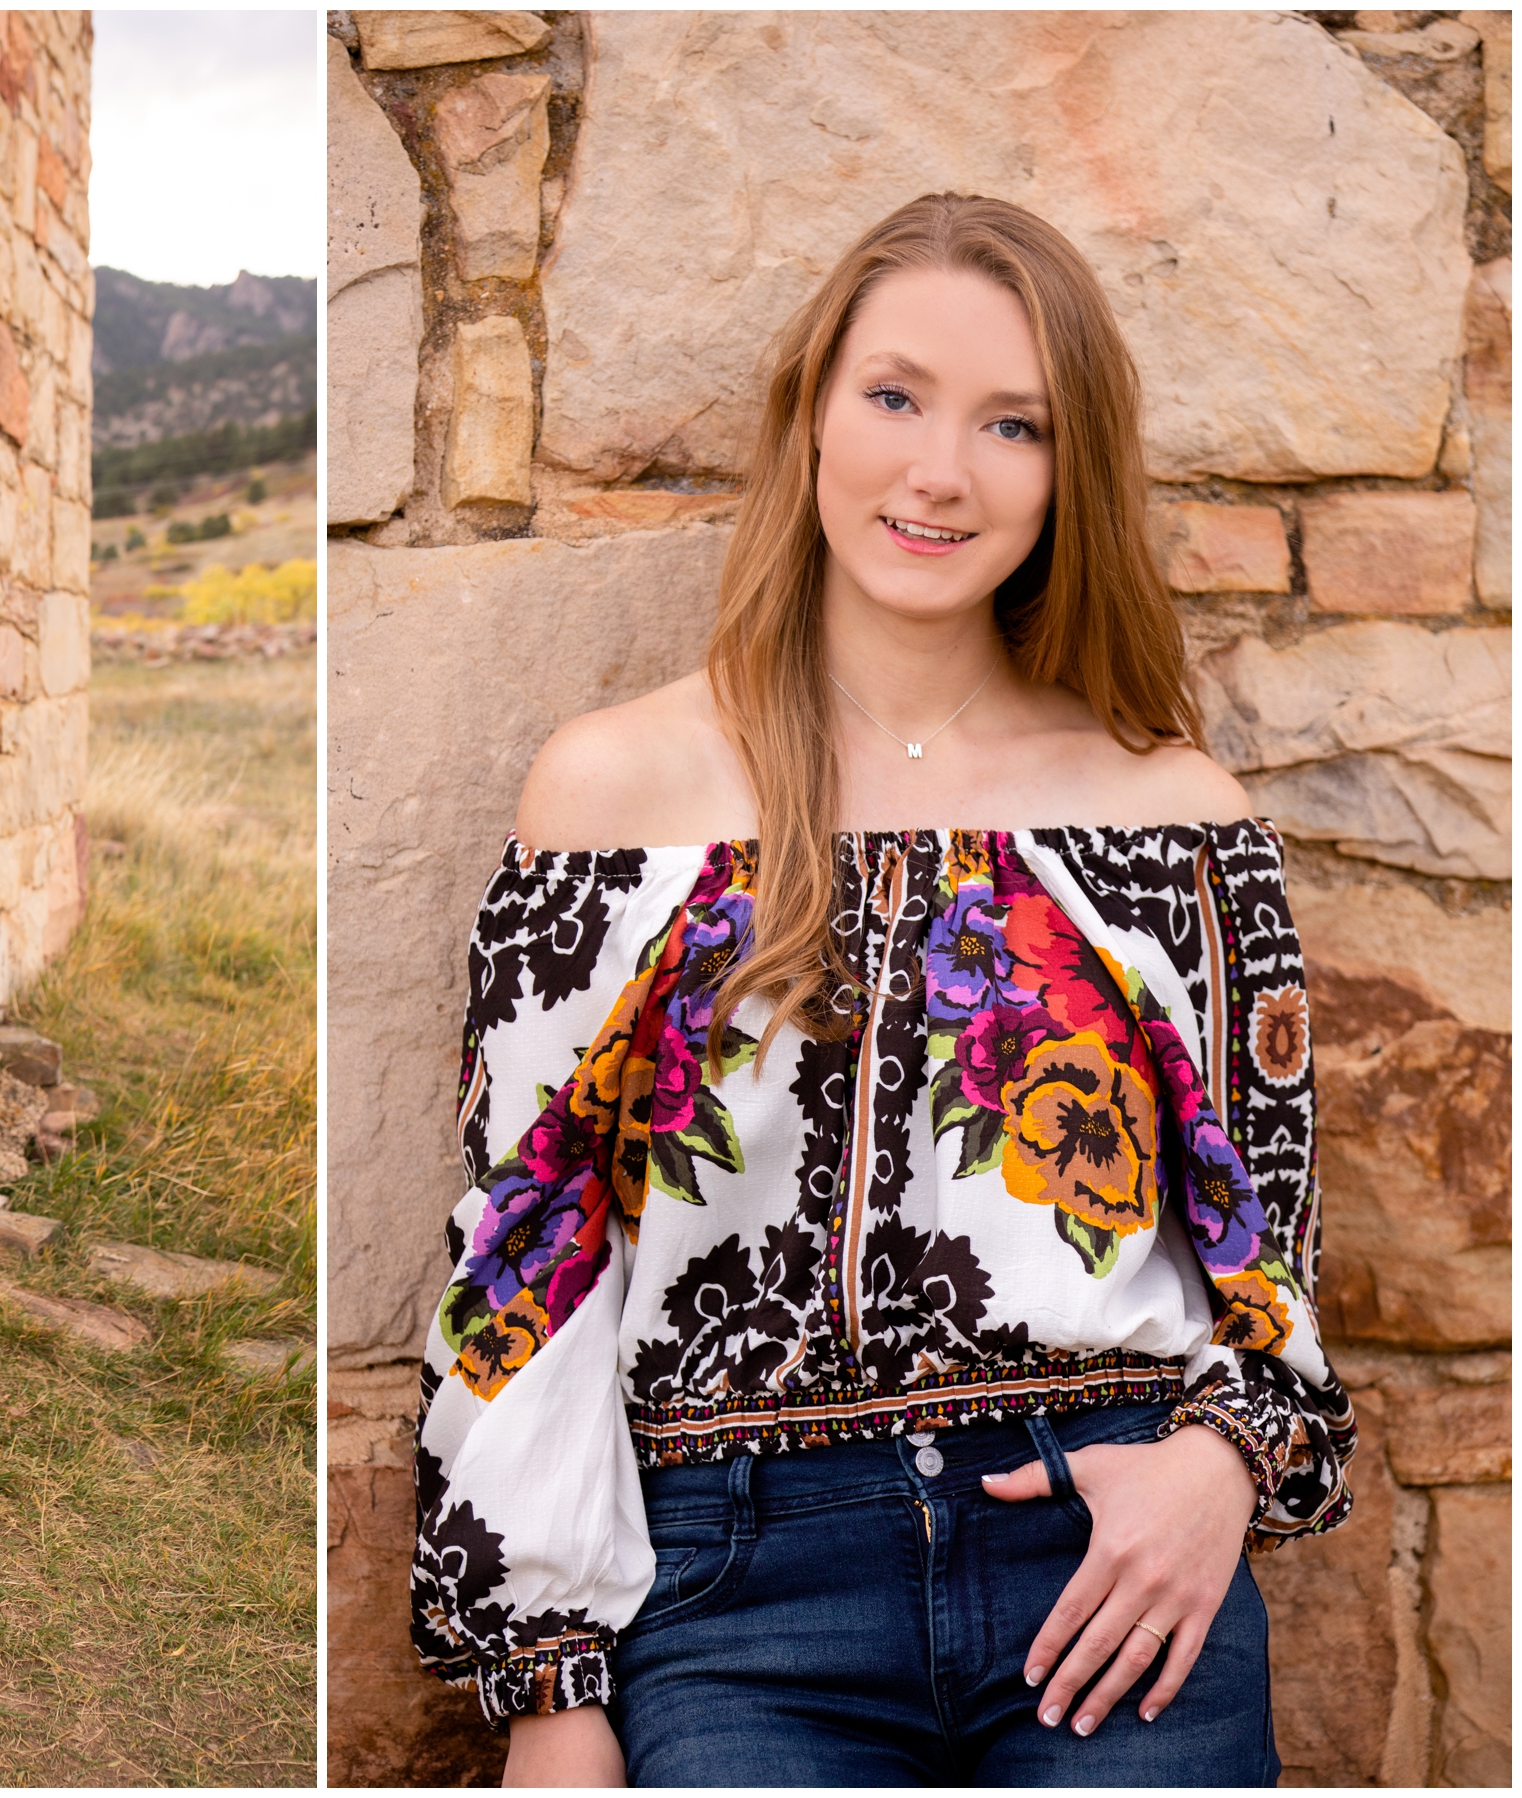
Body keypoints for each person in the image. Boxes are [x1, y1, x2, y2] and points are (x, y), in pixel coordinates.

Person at [408, 195, 1354, 1786]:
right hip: (726, 1593)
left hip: (1108, 1565)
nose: (940, 471)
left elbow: (1271, 1252)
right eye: (897, 396)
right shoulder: (614, 798)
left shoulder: (1171, 816)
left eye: (1013, 425)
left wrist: (1218, 1466)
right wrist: (552, 1686)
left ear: (1070, 476)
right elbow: (527, 1257)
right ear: (812, 415)